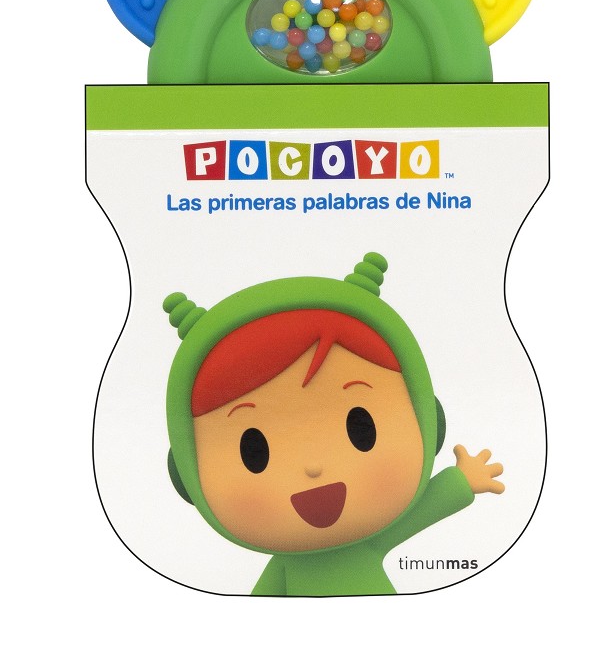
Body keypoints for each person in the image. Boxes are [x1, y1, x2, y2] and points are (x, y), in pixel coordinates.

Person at [164, 252, 504, 595]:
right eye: (255, 453)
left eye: (361, 430)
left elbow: (427, 507)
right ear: (187, 476)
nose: (314, 467)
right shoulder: (287, 563)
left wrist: (462, 480)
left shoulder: (359, 541)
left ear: (427, 423)